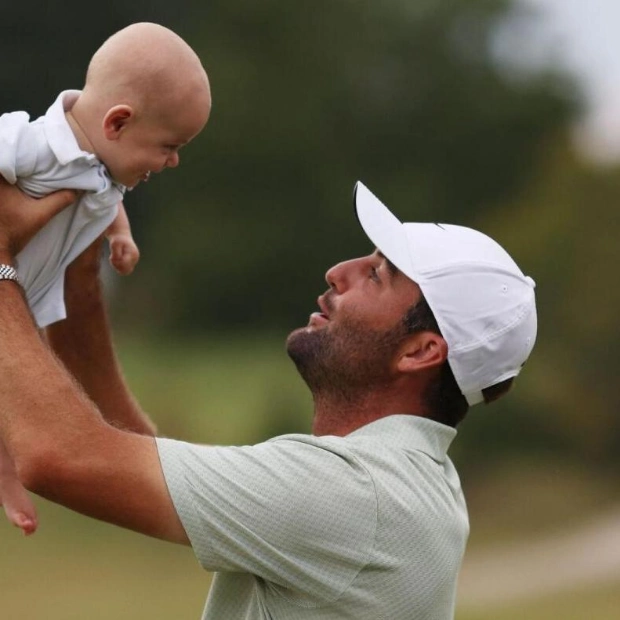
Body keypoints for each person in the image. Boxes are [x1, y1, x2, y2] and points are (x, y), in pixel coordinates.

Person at [0, 179, 537, 620]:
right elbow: (127, 456)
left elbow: (62, 457)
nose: (339, 272)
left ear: (420, 351)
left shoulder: (357, 492)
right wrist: (79, 275)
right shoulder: (405, 480)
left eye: (376, 274)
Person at [0, 22, 211, 535]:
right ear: (117, 122)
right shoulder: (33, 144)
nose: (174, 160)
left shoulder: (106, 170)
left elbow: (107, 201)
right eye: (168, 145)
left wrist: (122, 236)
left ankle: (8, 469)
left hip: (18, 306)